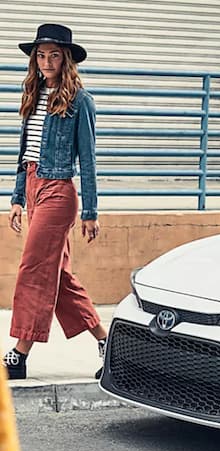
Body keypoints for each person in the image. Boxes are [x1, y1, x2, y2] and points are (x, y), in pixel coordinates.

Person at [4, 24, 107, 381]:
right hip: (33, 187)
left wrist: (91, 212)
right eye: (41, 54)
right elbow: (25, 154)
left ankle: (19, 354)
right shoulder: (32, 93)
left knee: (32, 269)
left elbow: (89, 159)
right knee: (57, 276)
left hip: (58, 192)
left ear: (66, 59)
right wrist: (17, 198)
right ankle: (107, 343)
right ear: (35, 59)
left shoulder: (80, 101)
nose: (47, 61)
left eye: (54, 54)